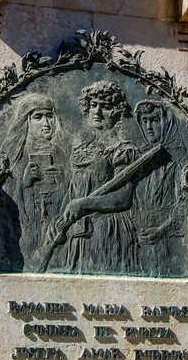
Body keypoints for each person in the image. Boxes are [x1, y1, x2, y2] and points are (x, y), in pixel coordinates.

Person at [46, 81, 139, 276]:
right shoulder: (82, 151)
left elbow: (123, 198)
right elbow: (72, 192)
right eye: (93, 105)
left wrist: (83, 204)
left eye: (105, 106)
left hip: (106, 230)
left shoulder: (123, 151)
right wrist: (58, 221)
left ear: (117, 111)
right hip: (78, 229)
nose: (97, 111)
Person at [0, 93, 68, 271]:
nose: (46, 123)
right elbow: (3, 201)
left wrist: (64, 180)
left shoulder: (61, 152)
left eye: (49, 116)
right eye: (38, 117)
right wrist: (23, 183)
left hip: (56, 226)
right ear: (26, 120)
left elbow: (78, 194)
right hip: (27, 229)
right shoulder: (14, 156)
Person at [134, 99, 188, 277]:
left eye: (155, 120)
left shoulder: (180, 160)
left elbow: (183, 206)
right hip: (142, 242)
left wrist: (162, 230)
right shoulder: (140, 159)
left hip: (170, 244)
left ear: (166, 122)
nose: (149, 126)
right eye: (145, 121)